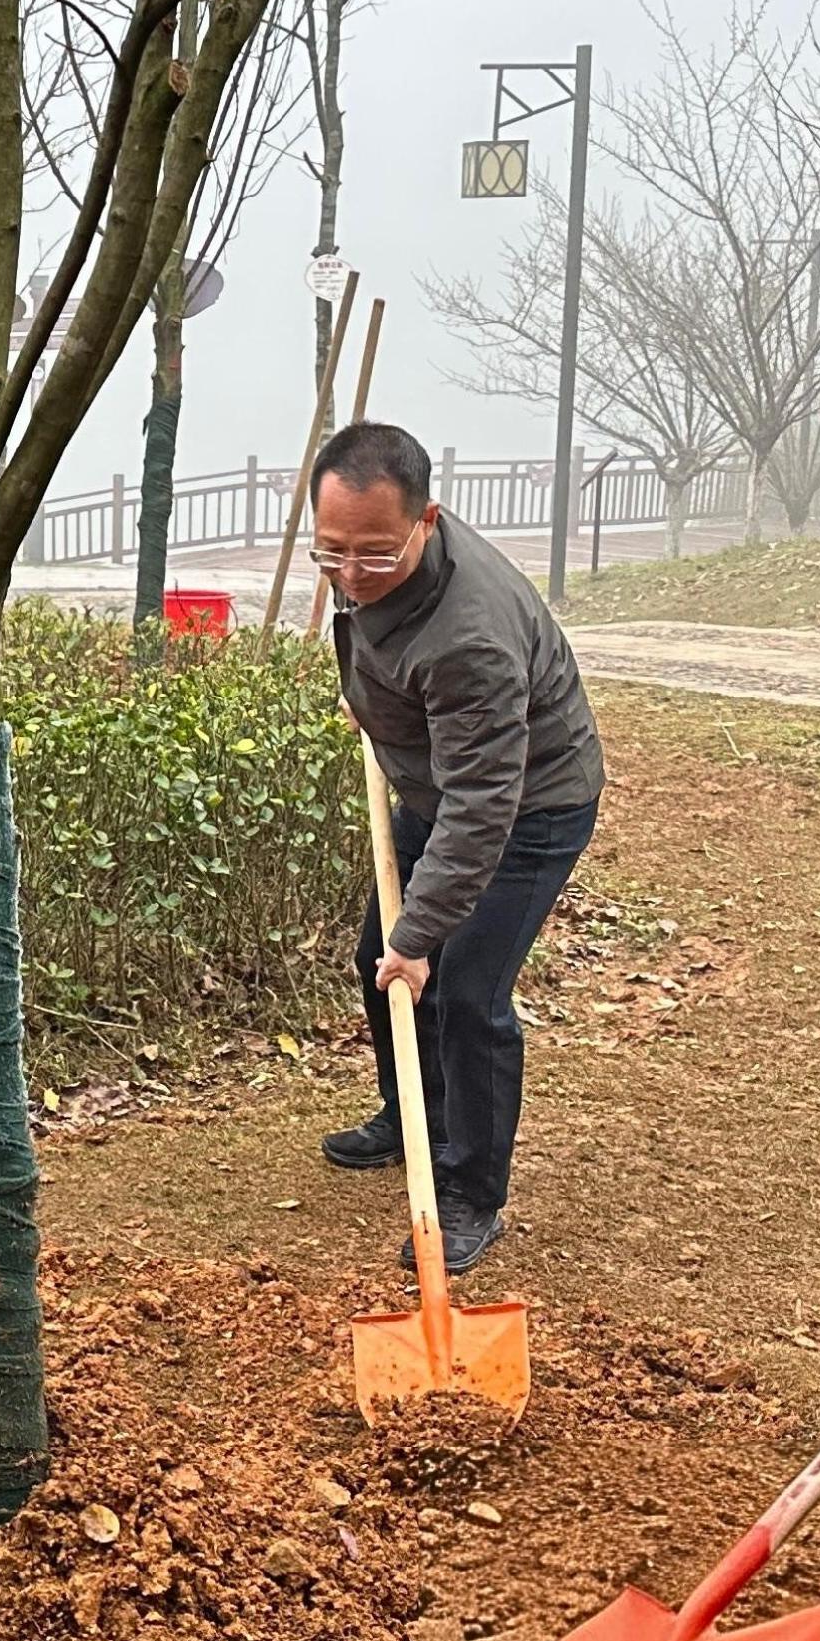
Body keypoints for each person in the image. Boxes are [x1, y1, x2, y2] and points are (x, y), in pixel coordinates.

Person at [304, 420, 603, 1269]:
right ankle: (413, 1119)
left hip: (528, 806)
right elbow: (375, 632)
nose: (351, 576)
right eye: (333, 554)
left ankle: (471, 1193)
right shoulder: (370, 555)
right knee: (380, 956)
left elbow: (483, 807)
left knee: (465, 988)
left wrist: (421, 937)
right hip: (442, 783)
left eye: (373, 555)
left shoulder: (471, 635)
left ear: (426, 522)